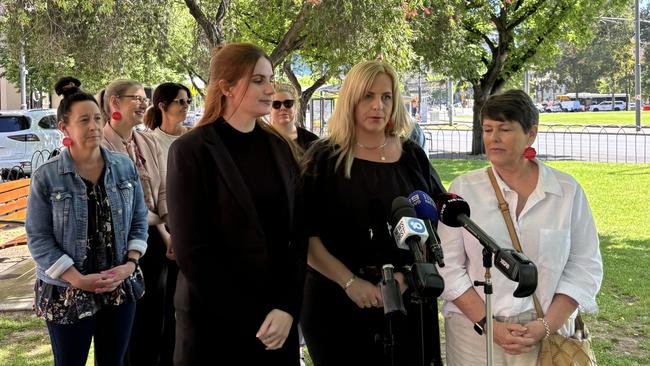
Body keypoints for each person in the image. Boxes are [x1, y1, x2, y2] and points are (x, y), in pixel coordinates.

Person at [437, 90, 603, 365]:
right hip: (475, 337)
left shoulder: (567, 191)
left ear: (531, 133)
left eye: (504, 129)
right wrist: (490, 325)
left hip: (547, 337)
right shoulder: (463, 189)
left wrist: (546, 325)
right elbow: (448, 267)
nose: (493, 138)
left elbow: (584, 266)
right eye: (488, 129)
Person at [166, 43, 306, 366]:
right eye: (257, 80)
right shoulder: (191, 151)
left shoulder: (280, 147)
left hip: (278, 324)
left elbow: (298, 237)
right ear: (226, 87)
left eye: (269, 79)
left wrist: (287, 308)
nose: (270, 89)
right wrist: (256, 316)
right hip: (215, 327)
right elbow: (192, 251)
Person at [300, 60, 445, 365]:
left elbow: (435, 224)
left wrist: (407, 278)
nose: (378, 105)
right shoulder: (324, 158)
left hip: (409, 300)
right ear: (350, 99)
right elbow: (306, 236)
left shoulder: (413, 156)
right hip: (338, 304)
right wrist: (351, 283)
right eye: (367, 96)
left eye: (386, 97)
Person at [26, 76, 148, 366]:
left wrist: (129, 264)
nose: (94, 126)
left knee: (114, 361)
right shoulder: (48, 176)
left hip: (118, 285)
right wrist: (78, 279)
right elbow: (39, 239)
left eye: (97, 117)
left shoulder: (123, 167)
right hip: (67, 289)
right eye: (84, 120)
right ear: (64, 127)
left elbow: (139, 219)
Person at [99, 79, 172, 366]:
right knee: (127, 327)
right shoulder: (101, 145)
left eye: (146, 98)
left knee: (156, 319)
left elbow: (164, 189)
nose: (144, 103)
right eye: (136, 98)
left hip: (155, 239)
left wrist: (166, 231)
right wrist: (155, 221)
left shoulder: (148, 140)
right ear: (114, 103)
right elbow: (123, 206)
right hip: (119, 245)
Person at [141, 81, 192, 364]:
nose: (185, 107)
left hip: (190, 227)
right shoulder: (148, 142)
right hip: (162, 231)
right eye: (180, 102)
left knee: (184, 302)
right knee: (159, 305)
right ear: (162, 106)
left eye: (187, 102)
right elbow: (152, 196)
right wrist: (165, 233)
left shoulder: (194, 138)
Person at [269, 82, 318, 150]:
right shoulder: (261, 141)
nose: (283, 108)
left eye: (288, 103)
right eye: (276, 104)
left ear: (295, 107)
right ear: (269, 109)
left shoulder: (312, 141)